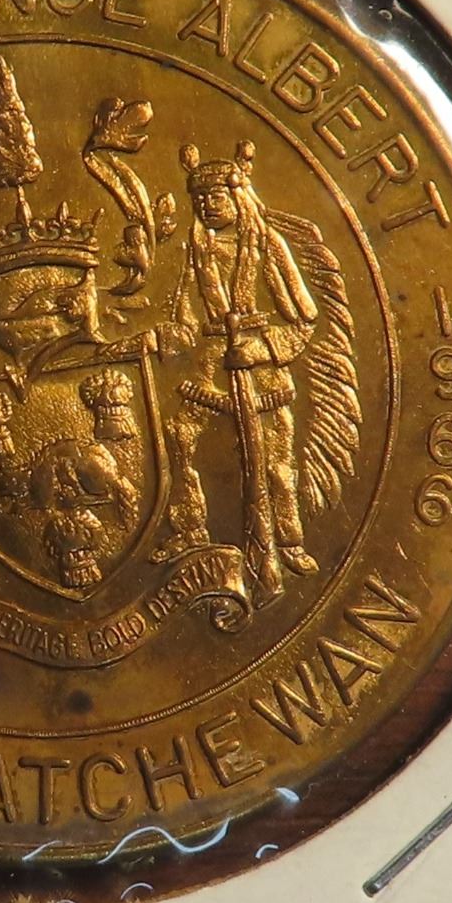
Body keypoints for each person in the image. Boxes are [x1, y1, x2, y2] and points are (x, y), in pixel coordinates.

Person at [156, 141, 319, 600]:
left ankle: (286, 541)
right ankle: (191, 530)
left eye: (216, 196)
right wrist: (167, 339)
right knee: (182, 440)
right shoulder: (197, 250)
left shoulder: (268, 246)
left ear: (238, 196)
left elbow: (305, 318)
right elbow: (184, 317)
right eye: (200, 199)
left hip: (261, 374)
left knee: (276, 465)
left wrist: (262, 349)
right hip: (210, 369)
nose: (208, 206)